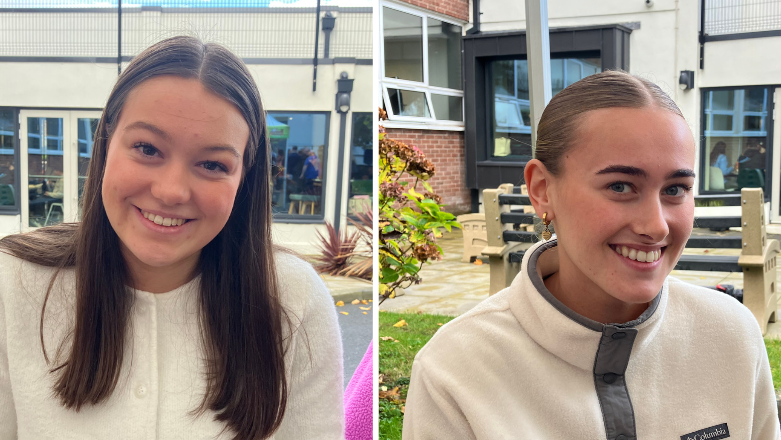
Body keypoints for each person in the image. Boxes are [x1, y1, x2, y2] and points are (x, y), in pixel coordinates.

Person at [402, 71, 780, 439]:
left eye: (676, 189)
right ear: (542, 189)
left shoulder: (732, 335)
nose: (657, 226)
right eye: (620, 185)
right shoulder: (454, 371)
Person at [0, 36, 344, 440]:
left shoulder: (294, 300)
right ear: (107, 141)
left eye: (213, 164)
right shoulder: (12, 283)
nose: (171, 191)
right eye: (147, 148)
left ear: (244, 180)